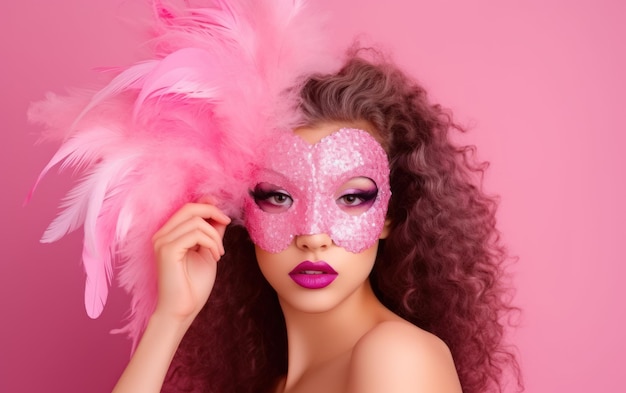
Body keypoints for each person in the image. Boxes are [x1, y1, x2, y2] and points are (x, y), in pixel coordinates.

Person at [30, 1, 521, 392]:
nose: (311, 235)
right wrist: (169, 319)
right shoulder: (275, 382)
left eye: (351, 198)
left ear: (391, 211)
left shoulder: (395, 357)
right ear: (240, 209)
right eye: (278, 198)